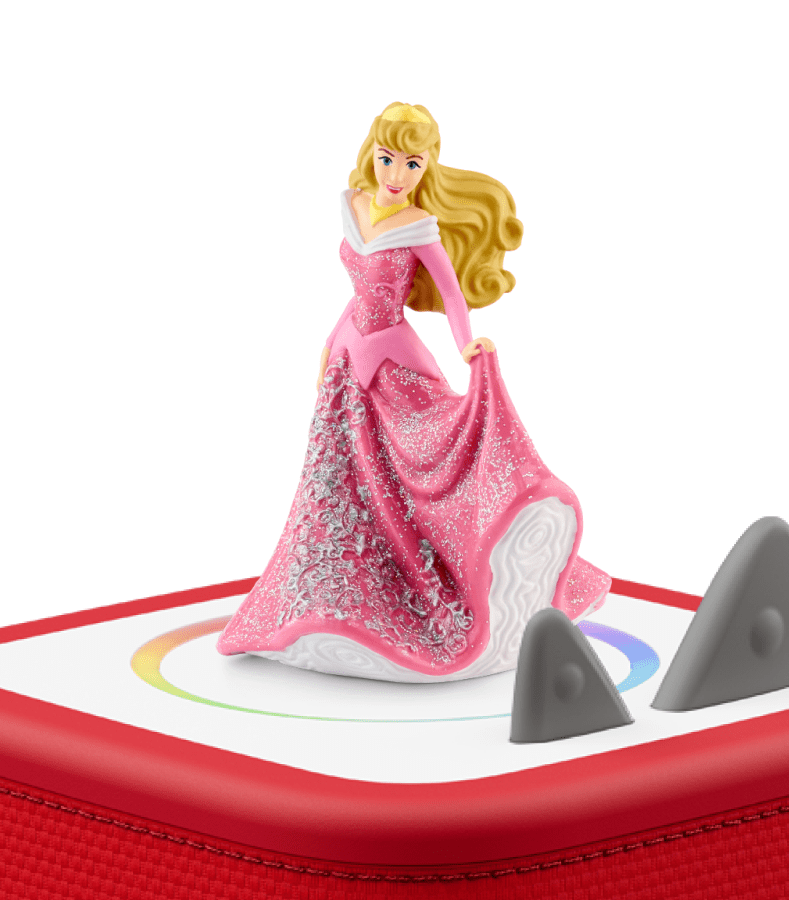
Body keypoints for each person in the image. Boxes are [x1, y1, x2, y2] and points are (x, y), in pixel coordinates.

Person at [216, 102, 610, 682]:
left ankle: (473, 554)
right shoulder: (353, 205)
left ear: (427, 167)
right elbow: (358, 291)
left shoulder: (419, 226)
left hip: (393, 360)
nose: (396, 175)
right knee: (341, 477)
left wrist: (467, 345)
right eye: (387, 160)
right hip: (347, 357)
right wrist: (329, 344)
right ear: (371, 155)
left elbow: (451, 295)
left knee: (417, 454)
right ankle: (333, 581)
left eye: (412, 164)